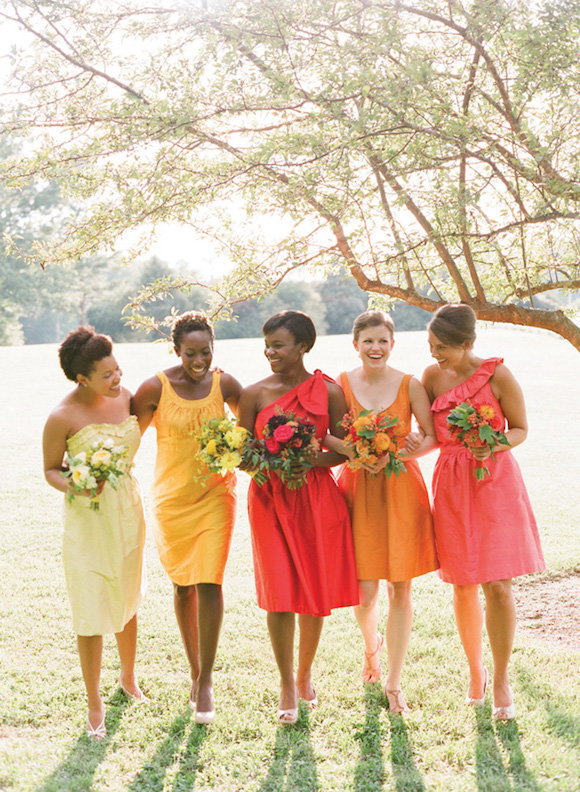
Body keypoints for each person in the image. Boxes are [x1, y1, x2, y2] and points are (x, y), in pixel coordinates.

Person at [422, 304, 545, 720]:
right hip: (452, 486)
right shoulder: (431, 377)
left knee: (498, 586)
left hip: (494, 483)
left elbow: (521, 429)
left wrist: (493, 443)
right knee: (461, 585)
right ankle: (475, 672)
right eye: (431, 346)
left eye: (443, 348)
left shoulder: (498, 376)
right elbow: (426, 435)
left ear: (467, 343)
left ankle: (502, 677)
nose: (436, 355)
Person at [238, 310, 359, 725]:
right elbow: (243, 455)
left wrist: (310, 458)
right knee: (278, 592)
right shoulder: (253, 394)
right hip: (270, 498)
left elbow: (347, 450)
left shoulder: (330, 392)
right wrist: (269, 460)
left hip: (316, 498)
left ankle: (305, 672)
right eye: (267, 344)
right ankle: (286, 682)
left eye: (279, 345)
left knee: (311, 592)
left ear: (303, 346)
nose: (270, 351)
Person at [132, 311, 242, 725]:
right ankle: (193, 669)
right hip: (172, 500)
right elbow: (128, 436)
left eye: (206, 352)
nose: (200, 361)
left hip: (216, 494)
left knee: (210, 580)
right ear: (176, 350)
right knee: (182, 588)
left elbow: (252, 423)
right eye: (191, 353)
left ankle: (207, 680)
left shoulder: (225, 383)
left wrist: (238, 449)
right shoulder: (154, 387)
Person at [327, 310, 438, 714]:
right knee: (365, 591)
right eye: (368, 341)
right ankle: (371, 649)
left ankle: (394, 681)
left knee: (400, 588)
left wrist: (394, 451)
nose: (376, 348)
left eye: (383, 341)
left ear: (392, 344)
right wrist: (356, 452)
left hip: (401, 489)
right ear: (355, 344)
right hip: (357, 489)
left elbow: (431, 436)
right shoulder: (340, 384)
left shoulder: (411, 384)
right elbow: (327, 433)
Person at [43, 327, 147, 740]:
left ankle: (127, 677)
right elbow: (51, 469)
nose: (117, 379)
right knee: (90, 607)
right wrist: (77, 484)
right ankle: (93, 701)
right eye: (107, 374)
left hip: (128, 510)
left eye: (117, 369)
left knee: (127, 594)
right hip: (88, 518)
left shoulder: (128, 398)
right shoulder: (62, 416)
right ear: (82, 378)